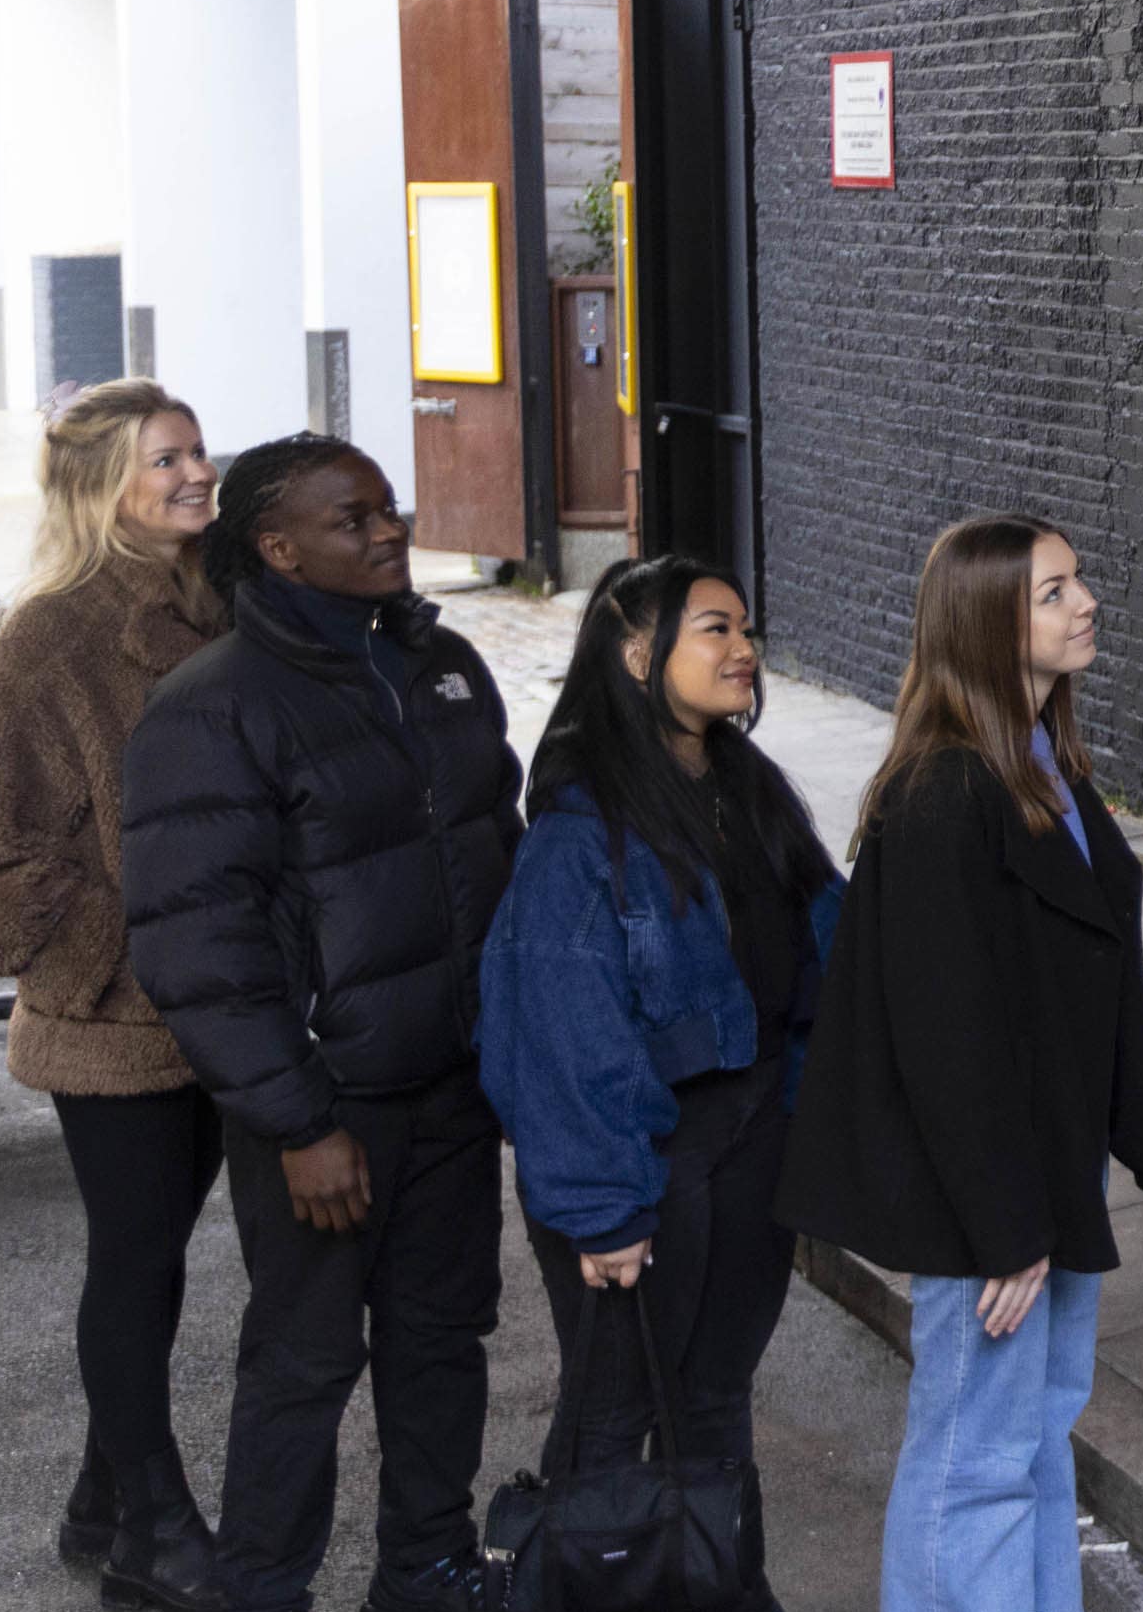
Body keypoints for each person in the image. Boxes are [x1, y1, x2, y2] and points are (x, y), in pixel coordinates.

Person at [121, 436, 526, 1612]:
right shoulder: (213, 708)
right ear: (277, 546)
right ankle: (264, 1588)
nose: (388, 531)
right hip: (326, 1111)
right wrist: (296, 1119)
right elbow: (199, 946)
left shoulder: (441, 667)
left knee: (443, 1342)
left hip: (453, 1089)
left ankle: (428, 1571)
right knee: (303, 1365)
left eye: (390, 510)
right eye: (352, 520)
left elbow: (495, 847)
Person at [776, 516, 1143, 1612]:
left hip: (1043, 1173)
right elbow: (944, 1032)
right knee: (974, 1459)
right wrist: (1007, 1226)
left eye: (1076, 582)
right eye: (1053, 592)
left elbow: (1068, 972)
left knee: (1031, 1441)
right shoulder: (944, 793)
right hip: (988, 1197)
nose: (1085, 602)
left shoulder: (1040, 761)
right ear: (985, 623)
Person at [481, 557, 845, 1611]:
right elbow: (557, 1030)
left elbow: (816, 942)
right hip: (647, 1159)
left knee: (715, 1397)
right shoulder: (581, 828)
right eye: (714, 631)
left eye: (746, 629)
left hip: (751, 1136)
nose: (745, 650)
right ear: (638, 658)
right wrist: (604, 1210)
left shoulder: (741, 785)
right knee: (610, 1412)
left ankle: (723, 1589)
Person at [0, 383, 228, 1612]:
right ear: (99, 489)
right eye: (166, 460)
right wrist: (122, 960)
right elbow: (4, 861)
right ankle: (155, 1530)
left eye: (197, 449)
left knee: (164, 1259)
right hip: (118, 1016)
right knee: (136, 1267)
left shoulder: (218, 602)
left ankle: (98, 1497)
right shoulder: (44, 639)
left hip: (221, 1000)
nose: (197, 472)